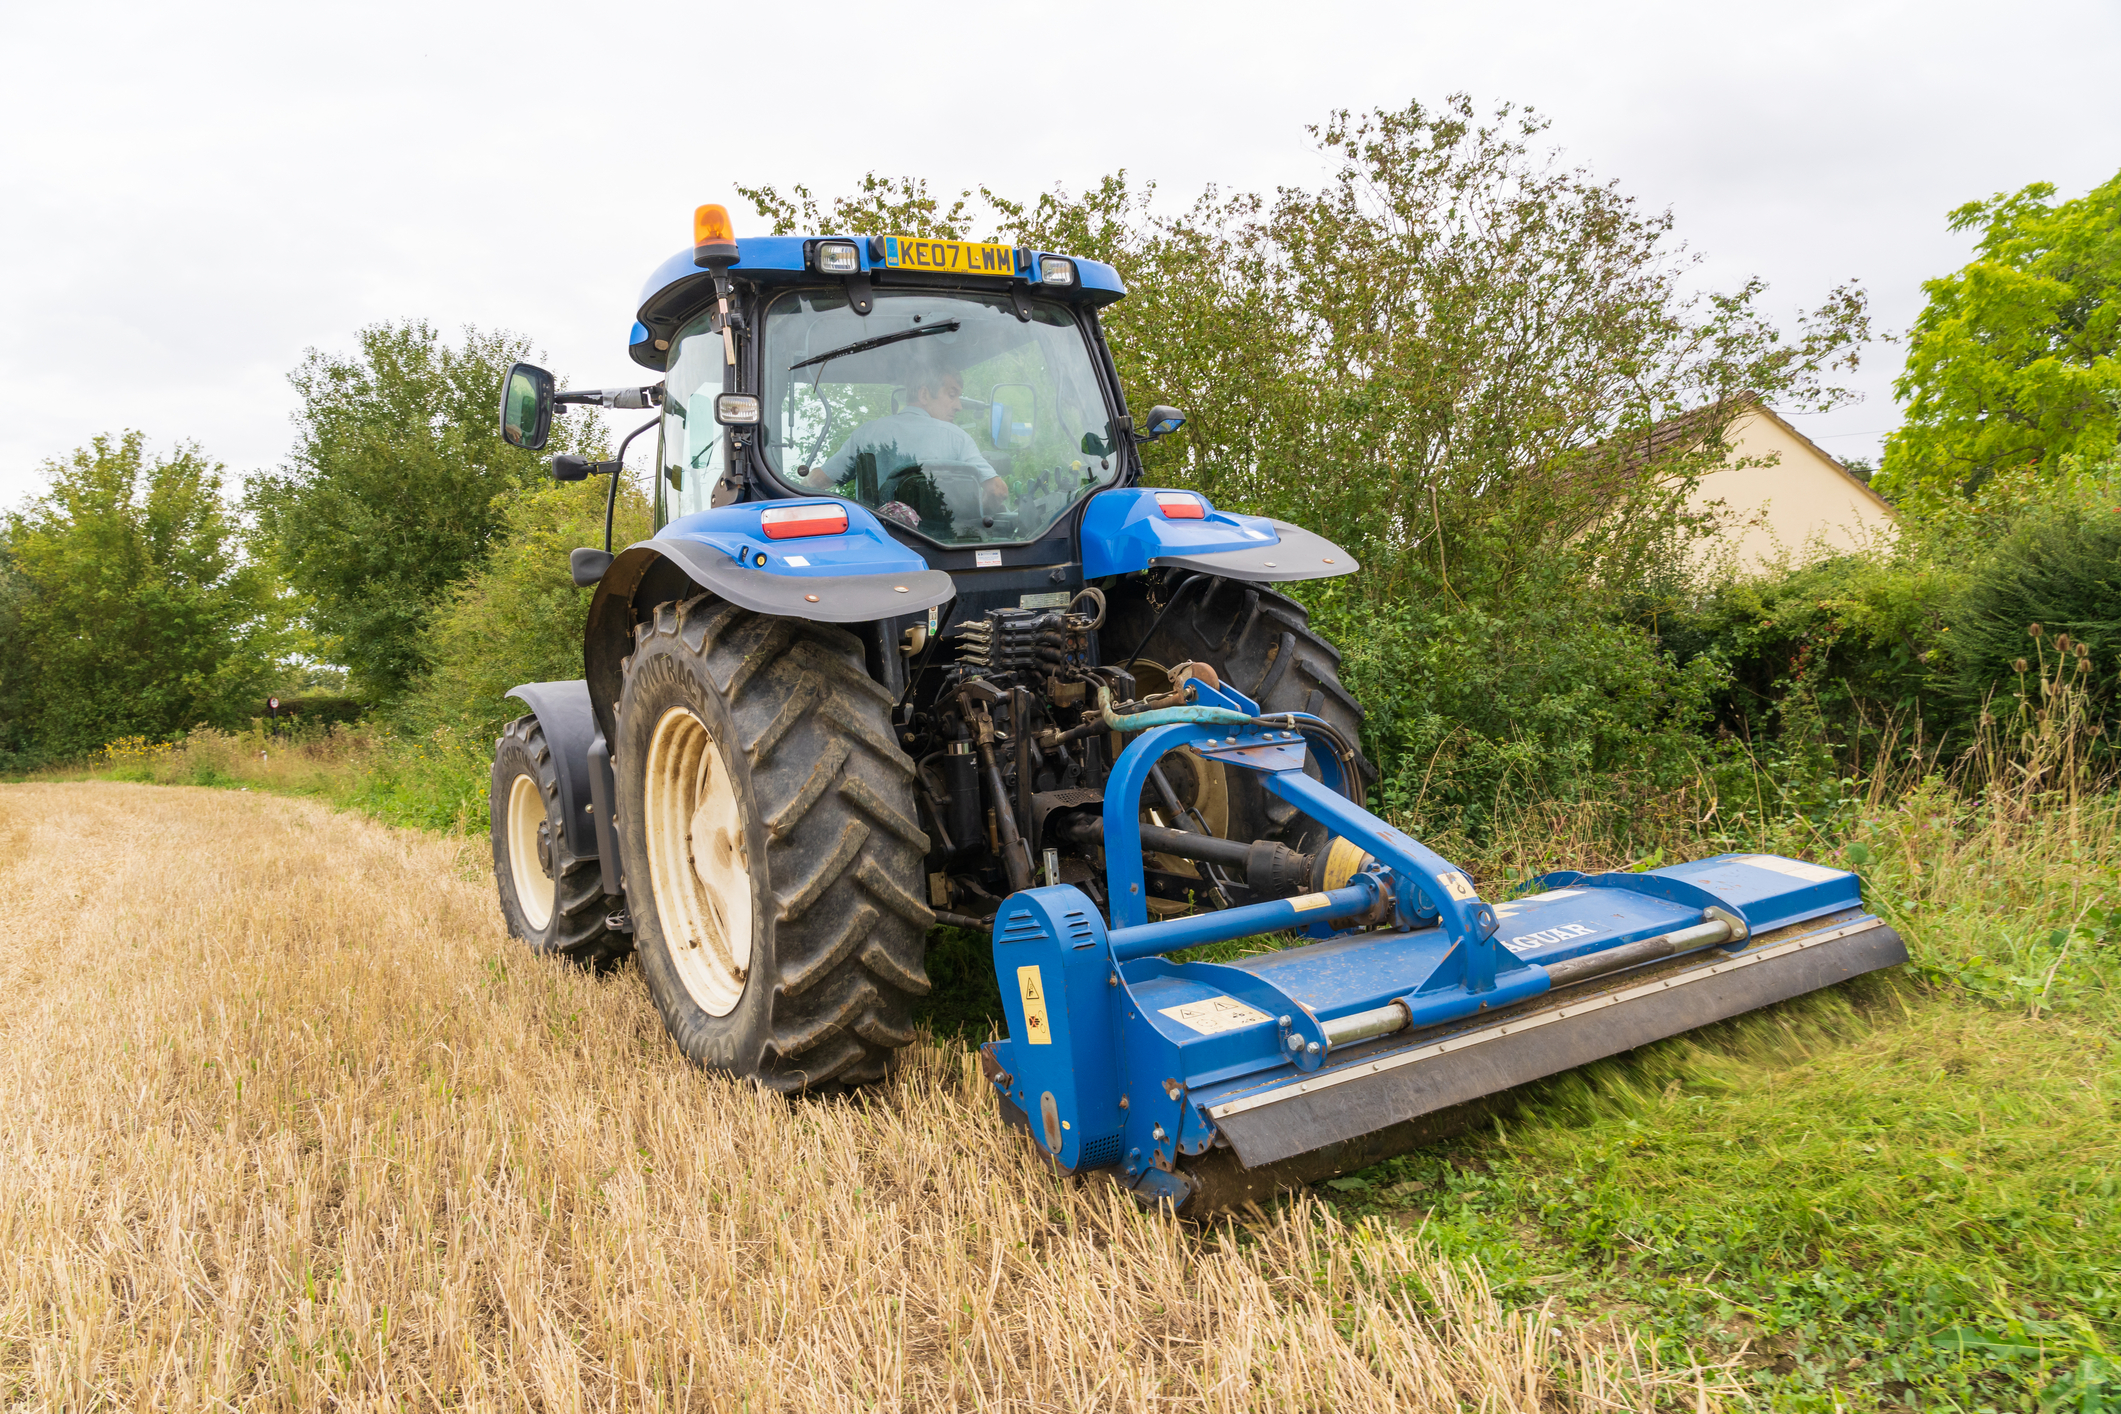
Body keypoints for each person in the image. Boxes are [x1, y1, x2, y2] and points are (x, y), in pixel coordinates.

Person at [795, 366, 1009, 514]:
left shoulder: (867, 433)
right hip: (944, 547)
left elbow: (817, 482)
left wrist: (793, 487)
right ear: (924, 394)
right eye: (952, 395)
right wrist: (976, 516)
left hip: (881, 546)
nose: (959, 406)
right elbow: (998, 490)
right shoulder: (957, 438)